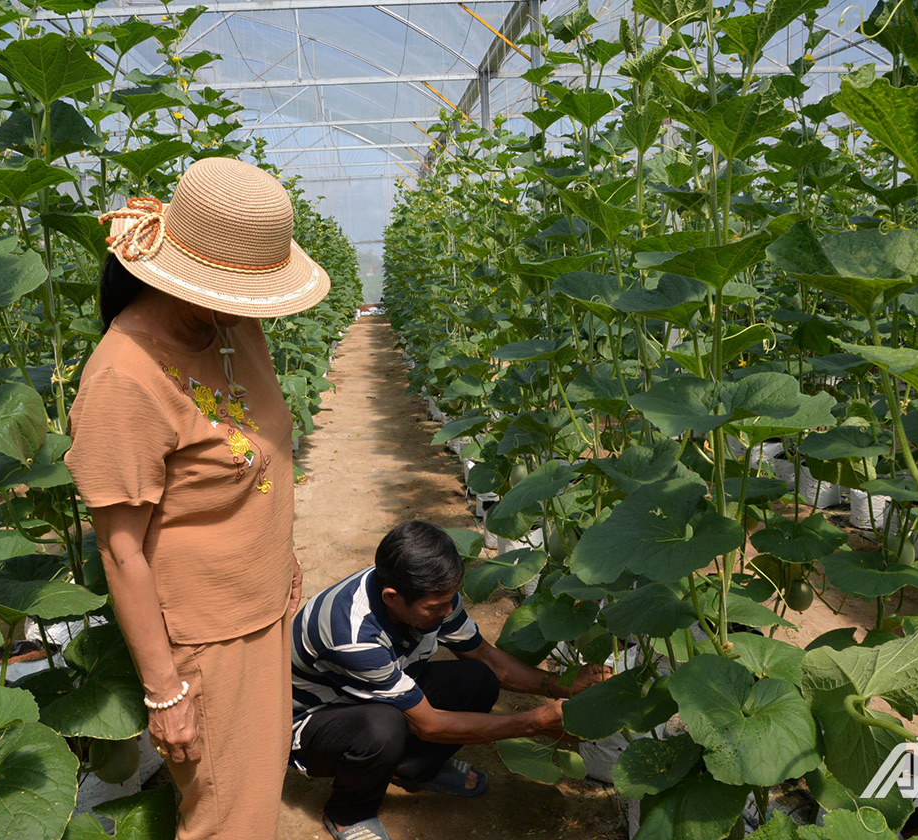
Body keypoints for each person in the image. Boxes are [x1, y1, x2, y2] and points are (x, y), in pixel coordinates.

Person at [64, 156, 330, 840]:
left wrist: (282, 556)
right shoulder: (124, 377)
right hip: (205, 638)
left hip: (261, 610)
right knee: (228, 821)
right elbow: (121, 553)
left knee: (253, 791)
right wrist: (167, 692)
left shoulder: (235, 325)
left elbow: (261, 457)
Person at [290, 520, 608, 840]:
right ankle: (348, 813)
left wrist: (560, 683)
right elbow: (429, 724)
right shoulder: (352, 633)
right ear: (392, 597)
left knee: (479, 679)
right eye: (436, 607)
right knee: (380, 728)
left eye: (450, 600)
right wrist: (536, 722)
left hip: (377, 689)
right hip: (311, 721)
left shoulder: (433, 592)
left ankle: (413, 771)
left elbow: (485, 657)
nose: (447, 610)